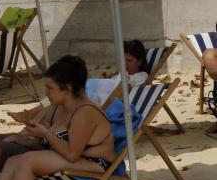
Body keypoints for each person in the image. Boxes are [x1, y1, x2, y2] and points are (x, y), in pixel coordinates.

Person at [8, 40, 150, 126]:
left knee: (60, 96)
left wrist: (123, 81)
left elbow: (125, 91)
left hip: (100, 98)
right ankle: (31, 113)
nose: (125, 63)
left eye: (129, 61)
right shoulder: (123, 73)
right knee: (58, 96)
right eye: (123, 60)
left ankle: (31, 115)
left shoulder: (141, 76)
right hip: (94, 89)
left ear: (140, 61)